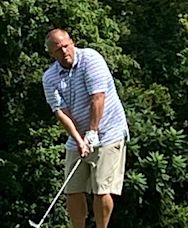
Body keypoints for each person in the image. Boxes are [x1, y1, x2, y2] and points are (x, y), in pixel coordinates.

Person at [42, 28, 129, 228]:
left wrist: (92, 132)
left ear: (72, 42)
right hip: (78, 136)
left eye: (66, 46)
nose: (64, 51)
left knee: (101, 189)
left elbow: (98, 97)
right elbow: (61, 112)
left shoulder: (91, 59)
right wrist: (80, 139)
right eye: (58, 49)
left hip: (109, 132)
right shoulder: (49, 77)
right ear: (51, 54)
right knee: (72, 190)